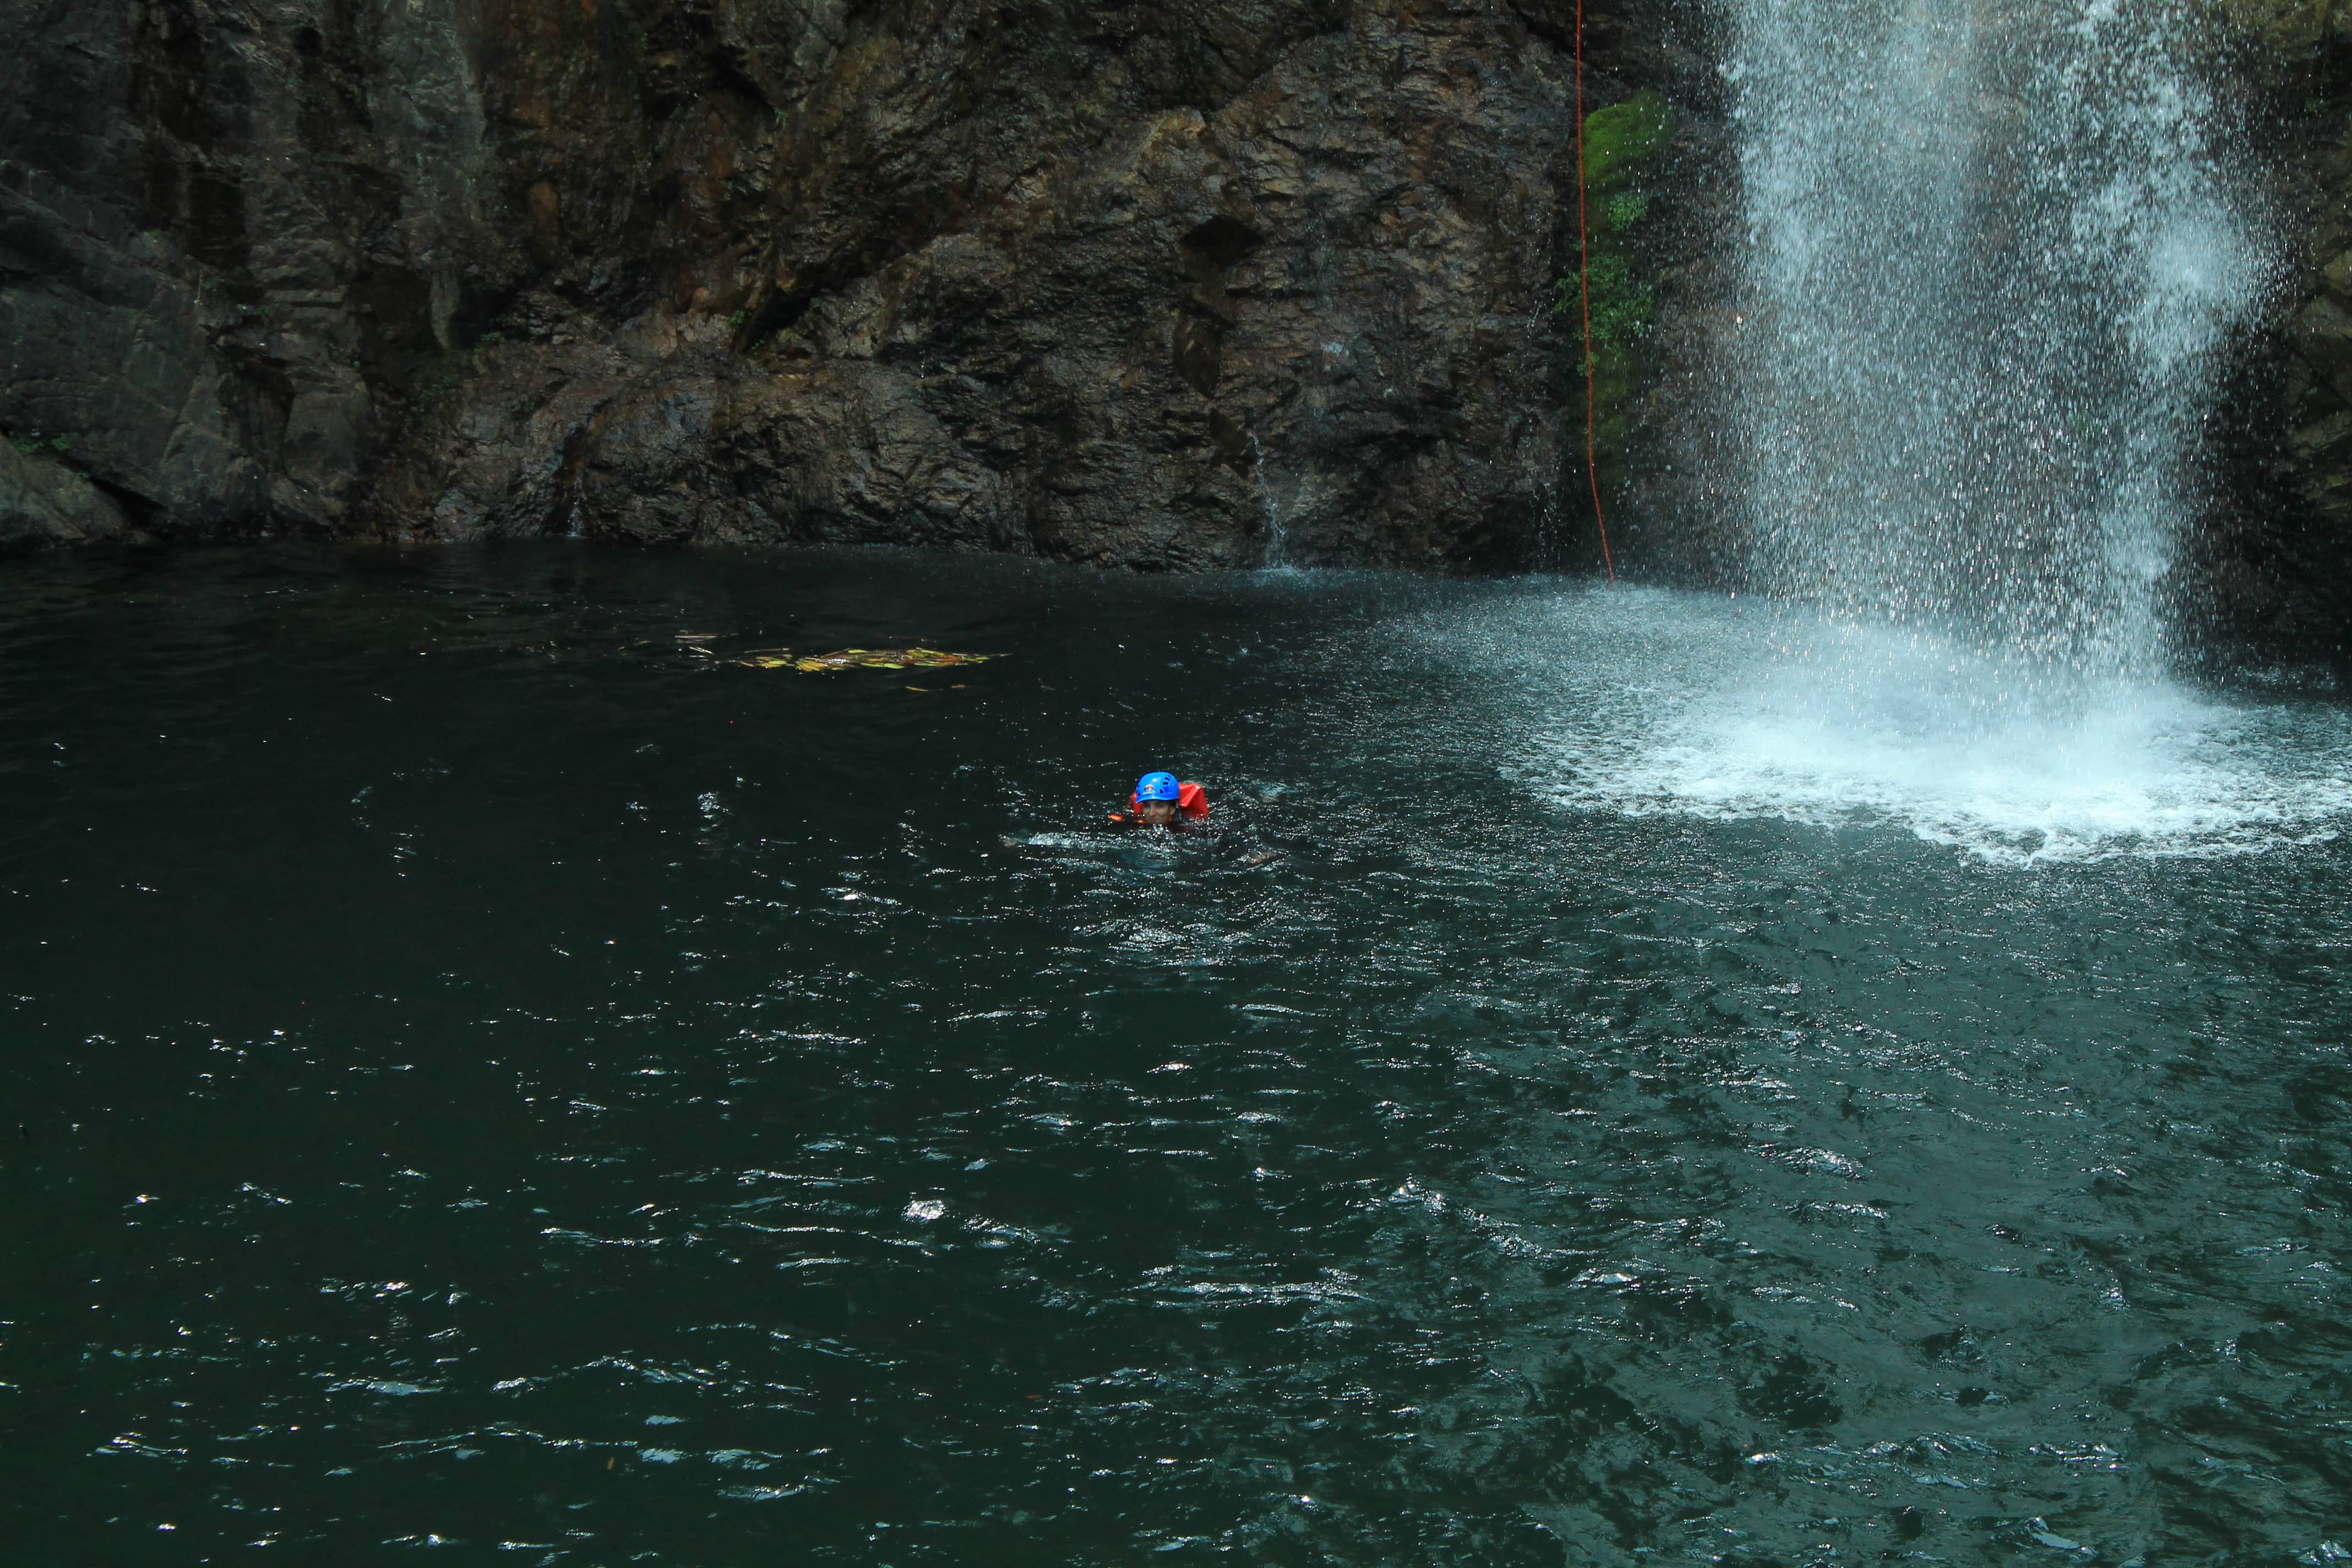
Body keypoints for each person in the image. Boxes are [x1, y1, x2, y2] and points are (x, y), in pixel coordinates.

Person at [1109, 770, 1209, 829]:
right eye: (1147, 806)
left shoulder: (1191, 828)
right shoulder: (1134, 822)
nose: (1151, 814)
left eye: (1159, 805)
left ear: (1173, 808)